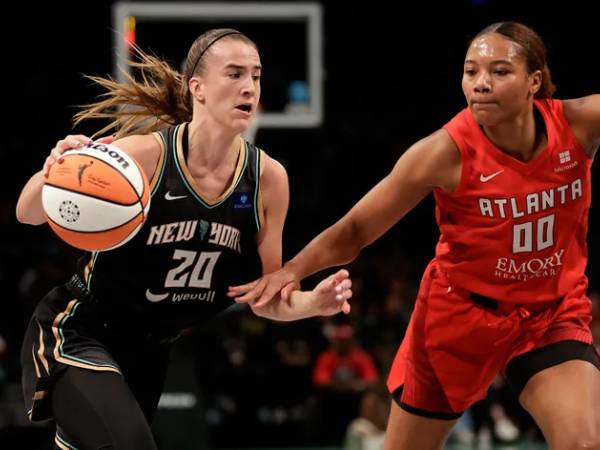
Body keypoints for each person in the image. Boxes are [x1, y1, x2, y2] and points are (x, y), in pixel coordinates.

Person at [229, 22, 600, 450]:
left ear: (534, 80)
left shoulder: (579, 124)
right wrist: (293, 269)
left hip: (548, 313)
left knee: (583, 443)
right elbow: (356, 230)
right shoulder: (443, 152)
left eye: (499, 71)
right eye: (471, 71)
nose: (480, 83)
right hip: (459, 318)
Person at [15, 28, 352, 450]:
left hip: (150, 354)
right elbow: (26, 213)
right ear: (198, 88)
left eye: (256, 75)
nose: (249, 86)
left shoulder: (268, 179)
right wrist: (55, 168)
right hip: (81, 331)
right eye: (234, 74)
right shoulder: (144, 156)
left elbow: (267, 297)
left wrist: (312, 305)